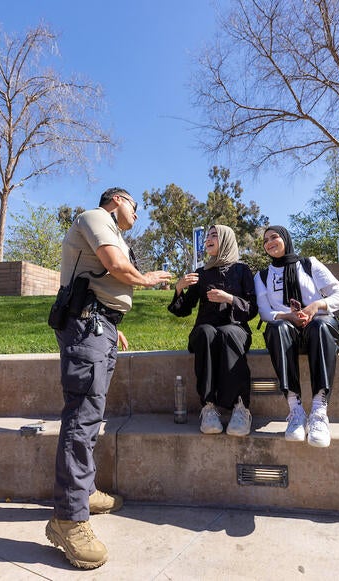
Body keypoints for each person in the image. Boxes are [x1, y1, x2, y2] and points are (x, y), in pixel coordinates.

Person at [45, 187, 171, 570]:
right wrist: (148, 280)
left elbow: (100, 281)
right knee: (82, 420)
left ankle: (83, 492)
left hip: (99, 326)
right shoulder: (96, 217)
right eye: (136, 206)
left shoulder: (112, 230)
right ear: (118, 198)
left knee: (92, 417)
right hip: (87, 325)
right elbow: (116, 267)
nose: (137, 214)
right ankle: (68, 518)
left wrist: (111, 325)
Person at [254, 226, 339, 448]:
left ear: (285, 238)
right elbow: (265, 312)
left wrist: (316, 306)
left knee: (320, 325)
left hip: (318, 328)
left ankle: (318, 411)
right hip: (288, 332)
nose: (269, 242)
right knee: (276, 327)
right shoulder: (262, 276)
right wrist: (289, 316)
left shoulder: (309, 264)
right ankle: (295, 410)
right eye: (265, 240)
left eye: (274, 237)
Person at [168, 225, 257, 437]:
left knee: (227, 334)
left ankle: (240, 407)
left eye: (214, 235)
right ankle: (208, 407)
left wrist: (230, 299)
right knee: (206, 333)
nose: (208, 239)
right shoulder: (201, 273)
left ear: (227, 239)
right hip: (207, 328)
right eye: (207, 236)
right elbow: (183, 310)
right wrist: (179, 288)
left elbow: (252, 308)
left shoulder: (242, 270)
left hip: (236, 328)